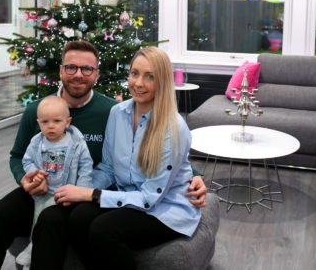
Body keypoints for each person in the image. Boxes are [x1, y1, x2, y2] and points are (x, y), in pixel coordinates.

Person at [0, 41, 207, 269]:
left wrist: (193, 175)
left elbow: (165, 158)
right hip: (43, 186)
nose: (78, 74)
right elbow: (18, 156)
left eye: (86, 69)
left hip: (86, 188)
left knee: (61, 219)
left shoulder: (108, 110)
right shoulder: (37, 111)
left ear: (96, 74)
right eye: (71, 67)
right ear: (61, 71)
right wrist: (24, 177)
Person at [30, 46, 201, 269]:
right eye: (134, 73)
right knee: (77, 217)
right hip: (127, 195)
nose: (138, 83)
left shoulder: (173, 128)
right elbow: (108, 168)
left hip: (165, 210)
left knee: (103, 230)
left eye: (150, 76)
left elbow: (150, 199)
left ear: (163, 82)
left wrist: (92, 194)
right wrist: (79, 189)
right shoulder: (117, 113)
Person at [14, 96, 94, 268]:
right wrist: (33, 174)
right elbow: (27, 161)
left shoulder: (76, 143)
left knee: (47, 219)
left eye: (56, 121)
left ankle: (35, 249)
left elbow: (86, 165)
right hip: (43, 191)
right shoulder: (36, 143)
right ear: (38, 122)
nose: (50, 126)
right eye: (45, 122)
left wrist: (82, 189)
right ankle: (33, 246)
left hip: (65, 191)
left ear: (67, 122)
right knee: (37, 218)